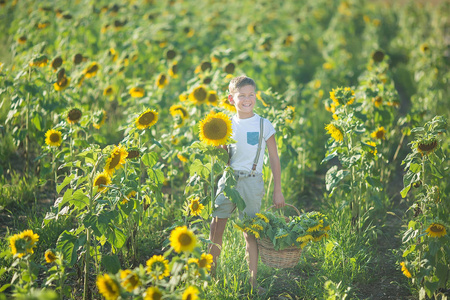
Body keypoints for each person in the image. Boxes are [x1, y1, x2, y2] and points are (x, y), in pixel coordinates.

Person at [209, 75, 285, 292]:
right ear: (231, 99)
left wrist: (277, 190)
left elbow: (274, 159)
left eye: (251, 94)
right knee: (216, 228)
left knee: (250, 232)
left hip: (252, 182)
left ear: (255, 96)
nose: (247, 99)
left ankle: (253, 282)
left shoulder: (263, 124)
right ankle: (210, 277)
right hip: (229, 180)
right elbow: (223, 156)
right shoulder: (226, 125)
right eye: (241, 95)